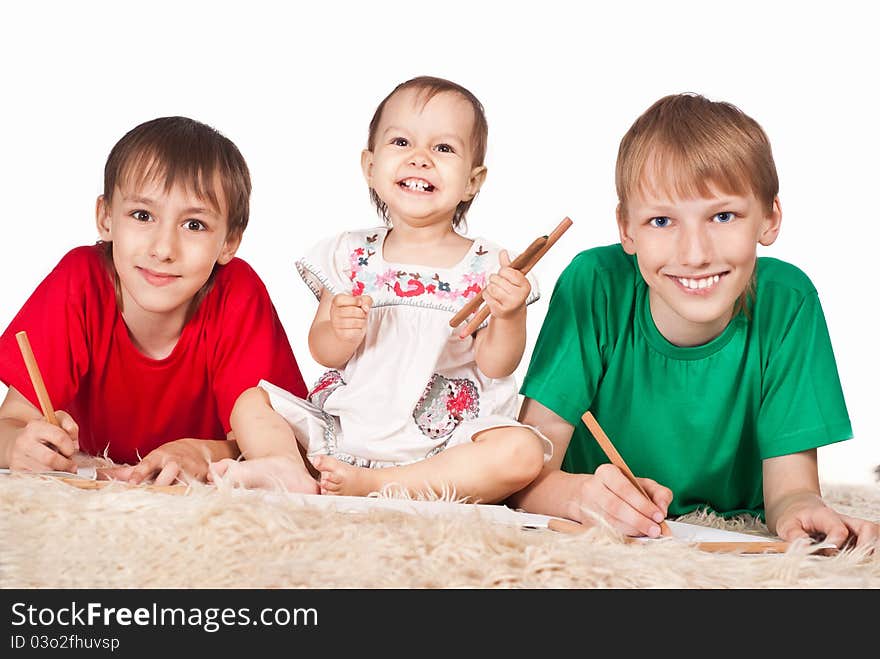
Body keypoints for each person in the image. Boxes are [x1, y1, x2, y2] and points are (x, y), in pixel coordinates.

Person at [509, 93, 879, 550]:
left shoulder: (789, 302)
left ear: (769, 218)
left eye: (723, 216)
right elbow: (522, 473)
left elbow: (791, 490)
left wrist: (802, 511)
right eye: (662, 220)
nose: (695, 254)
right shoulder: (593, 286)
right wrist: (575, 494)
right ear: (627, 229)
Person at [211, 76, 550, 501]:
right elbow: (324, 351)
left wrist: (509, 314)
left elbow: (497, 365)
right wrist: (339, 329)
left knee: (521, 451)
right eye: (402, 143)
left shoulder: (488, 265)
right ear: (370, 167)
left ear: (472, 181)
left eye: (443, 148)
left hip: (439, 444)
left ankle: (385, 486)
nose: (421, 159)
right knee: (249, 401)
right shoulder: (349, 255)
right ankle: (285, 467)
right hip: (346, 431)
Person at [0, 116, 307, 486]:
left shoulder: (236, 293)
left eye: (194, 225)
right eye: (142, 215)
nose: (163, 249)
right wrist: (19, 444)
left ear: (229, 242)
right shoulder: (79, 282)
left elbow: (285, 450)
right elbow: (9, 423)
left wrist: (202, 452)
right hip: (94, 499)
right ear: (106, 217)